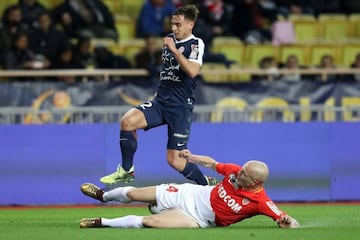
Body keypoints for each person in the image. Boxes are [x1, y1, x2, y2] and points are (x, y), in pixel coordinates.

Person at [99, 5, 216, 186]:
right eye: (172, 24)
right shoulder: (169, 39)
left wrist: (175, 51)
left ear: (190, 25)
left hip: (180, 107)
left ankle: (206, 184)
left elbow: (192, 71)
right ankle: (127, 170)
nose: (174, 28)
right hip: (161, 101)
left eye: (178, 25)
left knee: (175, 161)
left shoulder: (195, 43)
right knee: (127, 121)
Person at [79, 149, 300, 229]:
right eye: (241, 169)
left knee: (149, 222)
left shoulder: (261, 201)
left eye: (244, 174)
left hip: (197, 219)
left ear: (254, 183)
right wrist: (192, 157)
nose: (238, 173)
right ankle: (103, 195)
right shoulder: (234, 171)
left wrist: (288, 222)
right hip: (190, 193)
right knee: (133, 194)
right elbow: (212, 164)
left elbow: (289, 222)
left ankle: (101, 223)